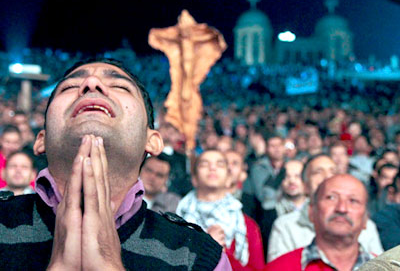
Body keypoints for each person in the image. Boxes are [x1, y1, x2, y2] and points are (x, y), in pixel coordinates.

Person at [0, 59, 230, 270]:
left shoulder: (197, 256)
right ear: (41, 139)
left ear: (152, 141)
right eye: (70, 87)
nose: (91, 83)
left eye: (121, 87)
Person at [267, 154, 383, 262]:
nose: (327, 177)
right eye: (318, 172)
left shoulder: (364, 225)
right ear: (305, 185)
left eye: (333, 172)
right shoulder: (286, 226)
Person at [177, 150, 265, 270]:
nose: (212, 168)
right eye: (204, 164)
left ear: (229, 179)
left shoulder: (247, 226)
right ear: (194, 179)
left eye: (220, 164)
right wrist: (206, 247)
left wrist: (220, 252)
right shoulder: (176, 222)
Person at [266, 174, 375, 270]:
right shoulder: (280, 268)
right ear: (311, 212)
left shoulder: (387, 268)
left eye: (353, 201)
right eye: (331, 198)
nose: (342, 208)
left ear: (366, 219)